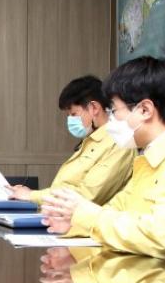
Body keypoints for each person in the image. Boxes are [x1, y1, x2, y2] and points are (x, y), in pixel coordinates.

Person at [41, 56, 165, 264]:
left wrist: (86, 216)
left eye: (114, 111)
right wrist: (78, 224)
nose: (110, 121)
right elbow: (120, 208)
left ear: (145, 110)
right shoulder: (151, 155)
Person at [9, 75, 135, 205]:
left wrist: (31, 195)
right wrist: (29, 194)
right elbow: (67, 187)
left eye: (74, 114)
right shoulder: (90, 141)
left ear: (94, 108)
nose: (70, 120)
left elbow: (87, 196)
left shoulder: (119, 144)